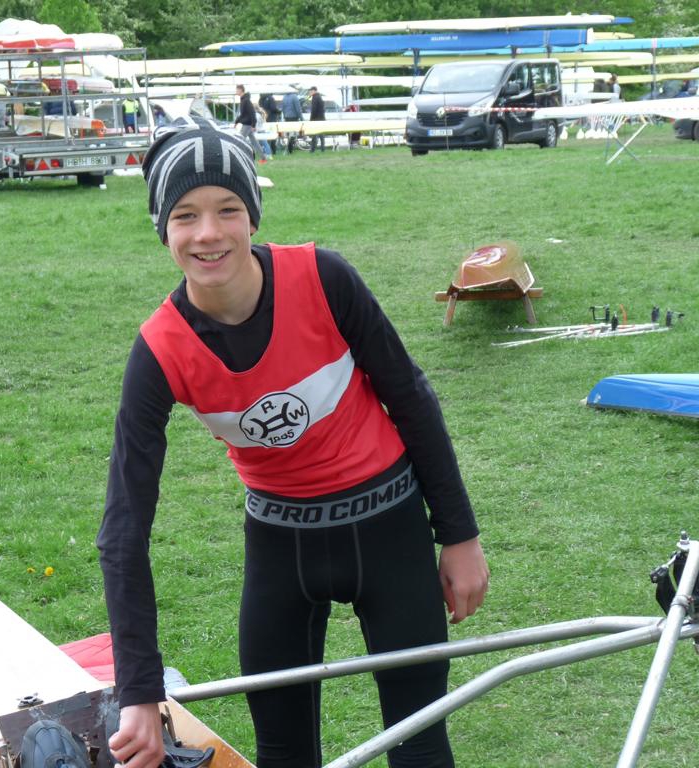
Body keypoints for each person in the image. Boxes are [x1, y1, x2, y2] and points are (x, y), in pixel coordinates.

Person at [97, 115, 489, 768]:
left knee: (419, 742)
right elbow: (124, 526)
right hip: (281, 547)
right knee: (282, 753)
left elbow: (411, 398)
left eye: (227, 209)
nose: (208, 233)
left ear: (253, 215)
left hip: (389, 529)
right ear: (163, 228)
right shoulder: (160, 350)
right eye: (186, 215)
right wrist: (137, 689)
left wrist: (460, 535)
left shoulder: (324, 278)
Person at [233, 84, 266, 163]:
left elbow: (252, 113)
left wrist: (253, 124)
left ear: (241, 90)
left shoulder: (246, 101)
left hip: (247, 125)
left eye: (237, 90)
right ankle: (263, 158)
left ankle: (238, 156)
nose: (236, 91)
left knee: (239, 140)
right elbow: (243, 114)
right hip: (247, 124)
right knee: (254, 142)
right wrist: (237, 122)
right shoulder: (243, 100)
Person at [308, 86, 326, 153]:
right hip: (321, 118)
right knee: (321, 135)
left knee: (314, 135)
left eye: (310, 91)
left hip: (316, 119)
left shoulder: (315, 98)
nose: (309, 92)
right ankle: (322, 148)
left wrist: (311, 119)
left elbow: (314, 110)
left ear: (314, 91)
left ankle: (312, 149)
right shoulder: (319, 97)